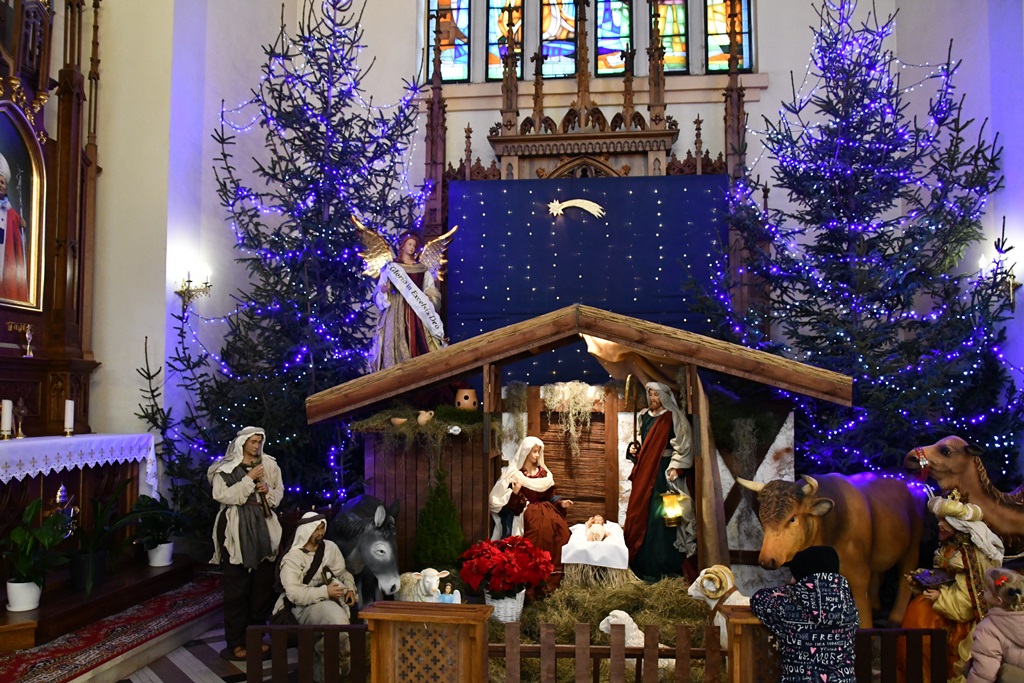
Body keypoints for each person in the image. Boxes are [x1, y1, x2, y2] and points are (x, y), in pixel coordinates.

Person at [900, 492, 1005, 683]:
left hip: (960, 622)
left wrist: (940, 598)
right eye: (939, 520)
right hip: (943, 612)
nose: (939, 524)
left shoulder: (969, 555)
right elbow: (945, 576)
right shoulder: (951, 547)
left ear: (959, 525)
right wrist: (922, 580)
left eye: (945, 521)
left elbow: (969, 600)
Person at [208, 426, 284, 661]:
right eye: (252, 441)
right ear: (242, 443)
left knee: (261, 589)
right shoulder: (225, 469)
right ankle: (236, 642)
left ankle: (256, 637)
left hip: (264, 529)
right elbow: (223, 495)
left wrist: (267, 490)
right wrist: (249, 480)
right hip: (236, 531)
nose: (256, 445)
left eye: (259, 441)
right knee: (237, 590)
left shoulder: (269, 465)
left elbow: (278, 494)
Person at [750, 545, 858, 683]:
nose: (790, 579)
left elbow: (758, 599)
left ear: (801, 575)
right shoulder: (849, 606)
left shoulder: (788, 607)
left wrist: (790, 590)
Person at [622, 381, 696, 582]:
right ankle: (642, 563)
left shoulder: (674, 417)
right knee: (641, 513)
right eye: (650, 394)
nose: (653, 399)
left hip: (663, 472)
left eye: (656, 395)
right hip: (645, 471)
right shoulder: (644, 416)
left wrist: (675, 467)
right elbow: (641, 441)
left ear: (663, 396)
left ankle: (665, 565)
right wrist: (634, 449)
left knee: (664, 517)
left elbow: (683, 445)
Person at [273, 511, 358, 681]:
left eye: (322, 528)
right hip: (301, 607)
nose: (320, 533)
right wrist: (325, 592)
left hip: (330, 601)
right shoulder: (292, 558)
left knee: (340, 634)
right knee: (339, 627)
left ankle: (325, 668)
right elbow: (294, 593)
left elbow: (343, 573)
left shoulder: (330, 548)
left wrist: (350, 589)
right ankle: (326, 665)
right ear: (306, 531)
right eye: (316, 529)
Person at [488, 436, 573, 595]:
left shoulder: (544, 474)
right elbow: (512, 505)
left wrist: (561, 503)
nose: (537, 455)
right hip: (527, 511)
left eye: (538, 452)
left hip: (548, 510)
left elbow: (551, 495)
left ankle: (553, 581)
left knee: (562, 533)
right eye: (534, 451)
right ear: (526, 452)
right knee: (538, 533)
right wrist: (515, 491)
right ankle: (533, 584)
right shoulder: (516, 475)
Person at [371, 230, 443, 370]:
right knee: (395, 339)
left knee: (419, 340)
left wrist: (429, 297)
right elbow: (380, 288)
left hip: (417, 310)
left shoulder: (421, 269)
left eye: (414, 245)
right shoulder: (391, 268)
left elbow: (429, 288)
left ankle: (420, 371)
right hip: (395, 310)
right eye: (409, 244)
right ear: (403, 246)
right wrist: (384, 290)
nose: (412, 247)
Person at [964, 568, 1024, 683]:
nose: (983, 591)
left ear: (998, 600)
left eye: (986, 590)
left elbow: (983, 673)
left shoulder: (988, 629)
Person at [0, 153, 28, 302]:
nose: (0, 185)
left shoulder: (12, 215)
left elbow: (19, 245)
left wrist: (22, 229)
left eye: (2, 182)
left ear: (6, 187)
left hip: (5, 261)